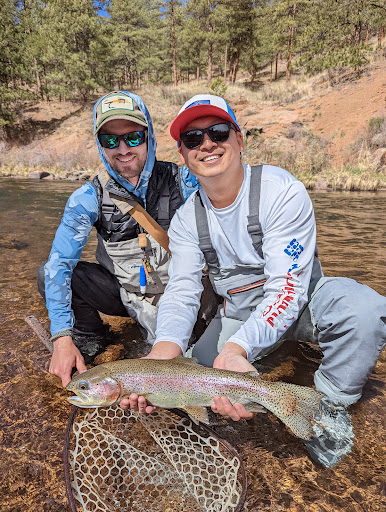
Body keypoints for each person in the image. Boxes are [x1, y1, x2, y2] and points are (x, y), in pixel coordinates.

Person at [121, 94, 386, 466]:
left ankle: (330, 407)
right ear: (183, 154)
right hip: (240, 313)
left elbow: (289, 289)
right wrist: (164, 353)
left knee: (366, 311)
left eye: (218, 132)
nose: (207, 144)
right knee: (189, 393)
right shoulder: (185, 220)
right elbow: (181, 293)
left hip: (304, 299)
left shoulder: (282, 191)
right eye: (193, 139)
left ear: (239, 140)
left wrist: (238, 349)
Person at [38, 91, 191, 388]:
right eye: (110, 140)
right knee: (48, 273)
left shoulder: (183, 182)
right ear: (100, 144)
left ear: (148, 136)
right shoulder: (87, 198)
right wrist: (61, 337)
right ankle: (92, 338)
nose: (123, 149)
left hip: (180, 294)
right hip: (124, 293)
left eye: (133, 137)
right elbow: (59, 265)